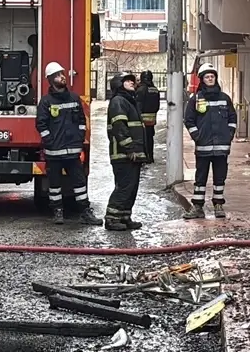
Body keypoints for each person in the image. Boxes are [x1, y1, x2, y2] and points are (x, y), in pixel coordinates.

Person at [35, 61, 102, 226]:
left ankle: (85, 212)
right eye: (57, 75)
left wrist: (79, 138)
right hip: (54, 152)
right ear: (50, 80)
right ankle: (57, 211)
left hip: (72, 151)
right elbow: (41, 124)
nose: (62, 77)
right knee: (55, 186)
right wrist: (49, 141)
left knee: (79, 184)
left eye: (62, 74)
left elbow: (81, 120)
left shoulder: (74, 98)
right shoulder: (46, 102)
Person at [182, 63, 237, 219]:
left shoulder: (224, 98)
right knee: (200, 177)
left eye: (212, 76)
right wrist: (197, 137)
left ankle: (218, 205)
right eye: (207, 77)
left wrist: (229, 134)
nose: (210, 79)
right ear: (202, 80)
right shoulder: (195, 99)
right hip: (204, 147)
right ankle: (197, 208)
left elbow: (233, 118)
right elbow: (189, 120)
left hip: (222, 147)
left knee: (220, 177)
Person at [104, 72, 147, 231]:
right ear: (118, 84)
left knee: (131, 187)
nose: (132, 82)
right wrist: (129, 148)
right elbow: (119, 127)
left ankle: (124, 216)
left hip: (132, 154)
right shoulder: (118, 101)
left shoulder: (129, 101)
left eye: (132, 80)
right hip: (123, 154)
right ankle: (112, 219)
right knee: (124, 186)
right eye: (127, 80)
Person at [137, 70, 161, 163]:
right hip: (152, 119)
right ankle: (150, 156)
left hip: (142, 120)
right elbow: (157, 105)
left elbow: (138, 105)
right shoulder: (155, 89)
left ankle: (145, 157)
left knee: (143, 139)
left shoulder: (141, 89)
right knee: (150, 138)